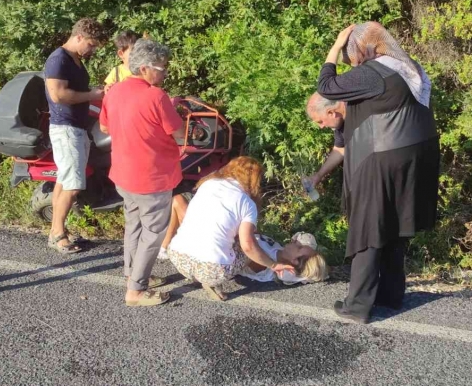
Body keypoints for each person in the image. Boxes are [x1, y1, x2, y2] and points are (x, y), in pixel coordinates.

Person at [309, 22, 440, 324]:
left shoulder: (374, 72)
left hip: (384, 155)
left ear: (362, 46)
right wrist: (318, 175)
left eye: (349, 51)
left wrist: (334, 45)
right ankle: (390, 295)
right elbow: (342, 145)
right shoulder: (409, 69)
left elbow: (326, 86)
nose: (350, 58)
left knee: (369, 227)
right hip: (416, 155)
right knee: (394, 226)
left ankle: (357, 307)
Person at [99, 38, 184, 307]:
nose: (165, 71)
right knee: (153, 232)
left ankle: (132, 274)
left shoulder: (114, 92)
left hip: (123, 174)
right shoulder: (156, 96)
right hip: (152, 177)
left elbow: (104, 128)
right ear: (145, 68)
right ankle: (136, 290)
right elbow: (179, 134)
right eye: (162, 67)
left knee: (133, 225)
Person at [166, 156, 296, 301]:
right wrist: (273, 264)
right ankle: (214, 281)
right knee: (252, 244)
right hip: (211, 270)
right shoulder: (246, 203)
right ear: (254, 181)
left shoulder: (207, 184)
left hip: (178, 258)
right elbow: (248, 246)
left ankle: (197, 273)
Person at [44, 18, 108, 254]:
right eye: (90, 44)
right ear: (79, 37)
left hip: (75, 127)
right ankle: (58, 234)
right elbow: (58, 94)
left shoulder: (75, 60)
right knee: (73, 185)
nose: (91, 50)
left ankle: (57, 230)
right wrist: (94, 94)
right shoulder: (58, 59)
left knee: (64, 180)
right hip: (65, 128)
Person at [240, 232, 329, 285]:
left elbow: (245, 249)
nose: (294, 241)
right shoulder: (279, 250)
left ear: (294, 260)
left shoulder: (264, 262)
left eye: (299, 247)